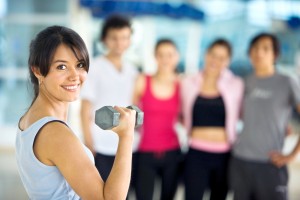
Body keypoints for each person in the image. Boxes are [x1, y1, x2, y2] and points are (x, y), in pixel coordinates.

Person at [15, 25, 136, 199]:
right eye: (61, 67)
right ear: (38, 71)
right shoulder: (55, 133)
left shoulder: (29, 119)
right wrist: (127, 136)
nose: (75, 76)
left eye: (80, 65)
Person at [230, 33, 300, 200]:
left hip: (270, 163)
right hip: (240, 161)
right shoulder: (244, 82)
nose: (259, 53)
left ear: (275, 54)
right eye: (255, 49)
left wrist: (291, 154)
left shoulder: (287, 81)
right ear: (249, 54)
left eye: (265, 49)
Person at [181, 39, 244, 200]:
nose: (216, 61)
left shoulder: (236, 84)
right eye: (213, 55)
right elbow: (178, 111)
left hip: (224, 155)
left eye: (222, 58)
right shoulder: (188, 82)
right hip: (196, 152)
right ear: (206, 54)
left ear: (228, 61)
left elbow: (246, 113)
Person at [80, 15, 138, 182]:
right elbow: (85, 110)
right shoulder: (95, 68)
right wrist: (89, 145)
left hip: (125, 146)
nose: (119, 43)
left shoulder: (133, 71)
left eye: (124, 38)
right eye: (114, 38)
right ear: (105, 39)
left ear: (130, 40)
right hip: (99, 145)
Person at [133, 39, 182, 200]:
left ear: (177, 57)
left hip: (172, 152)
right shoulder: (142, 81)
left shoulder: (182, 84)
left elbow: (185, 116)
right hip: (146, 150)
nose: (165, 59)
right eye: (161, 55)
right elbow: (131, 114)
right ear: (155, 57)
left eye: (170, 55)